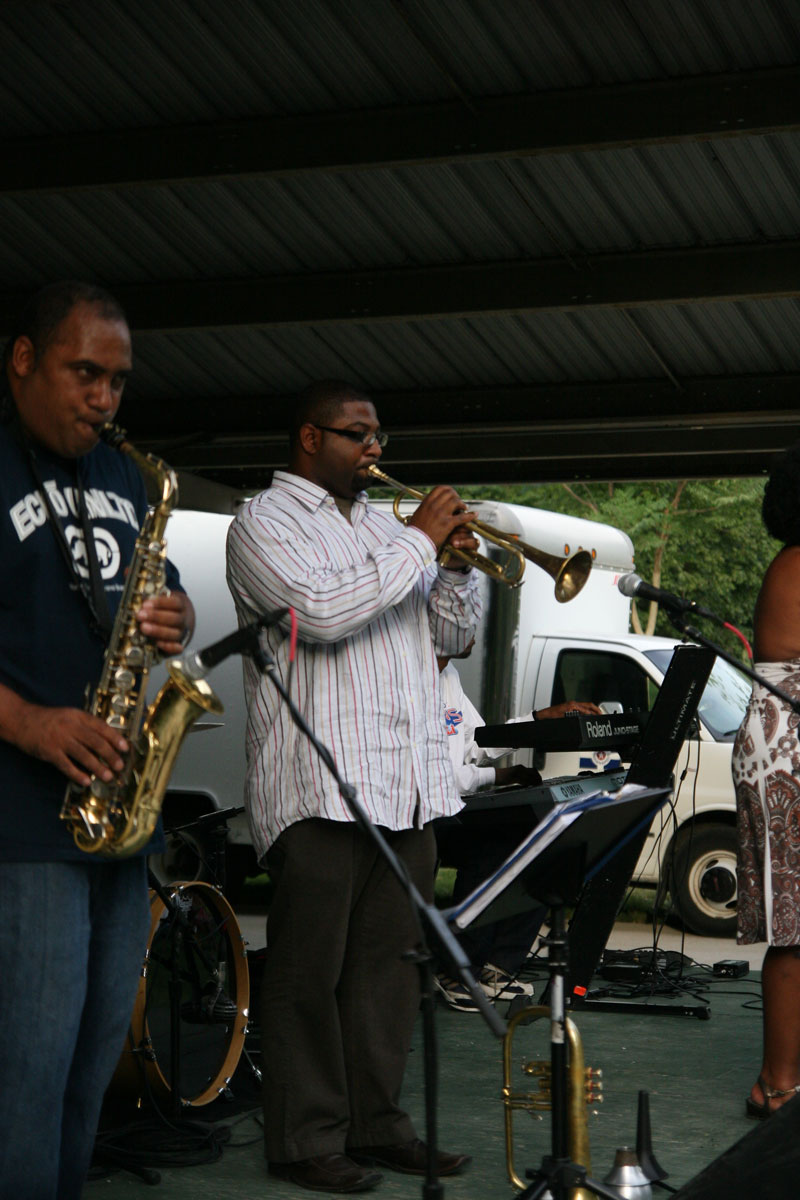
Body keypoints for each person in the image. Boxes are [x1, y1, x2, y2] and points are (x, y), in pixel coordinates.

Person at [226, 378, 479, 1193]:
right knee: (309, 973)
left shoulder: (385, 528)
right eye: (357, 434)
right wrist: (417, 544)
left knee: (388, 973)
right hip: (320, 786)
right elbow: (320, 613)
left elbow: (452, 637)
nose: (376, 450)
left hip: (404, 788)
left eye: (379, 436)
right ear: (309, 438)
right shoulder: (261, 523)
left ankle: (378, 1125)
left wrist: (455, 568)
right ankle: (304, 1140)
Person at [0, 281, 195, 1199]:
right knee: (27, 1073)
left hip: (118, 816)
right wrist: (30, 723)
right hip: (24, 824)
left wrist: (176, 616)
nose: (104, 399)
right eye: (85, 374)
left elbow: (162, 592)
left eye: (118, 382)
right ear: (24, 359)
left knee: (91, 1067)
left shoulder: (126, 476)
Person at [435, 642, 602, 1010]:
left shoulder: (449, 676)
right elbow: (444, 775)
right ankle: (456, 970)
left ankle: (497, 968)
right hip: (424, 815)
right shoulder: (414, 673)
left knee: (544, 835)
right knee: (492, 842)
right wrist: (503, 775)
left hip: (454, 806)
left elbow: (478, 744)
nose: (473, 626)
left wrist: (541, 719)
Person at [733, 441, 800, 1120]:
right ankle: (777, 1085)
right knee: (795, 922)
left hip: (788, 751)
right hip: (789, 757)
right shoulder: (798, 564)